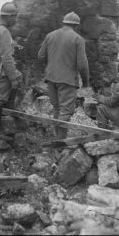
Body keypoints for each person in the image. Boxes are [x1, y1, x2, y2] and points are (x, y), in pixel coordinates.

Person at [37, 11, 90, 140]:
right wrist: (86, 83)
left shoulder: (50, 35)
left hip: (51, 78)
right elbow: (82, 65)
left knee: (56, 108)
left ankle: (57, 139)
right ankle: (60, 143)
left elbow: (40, 56)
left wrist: (51, 67)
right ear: (77, 26)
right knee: (66, 111)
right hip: (67, 80)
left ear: (64, 23)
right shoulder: (78, 39)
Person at [0, 2, 23, 137]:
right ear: (9, 16)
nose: (16, 20)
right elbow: (6, 58)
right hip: (1, 69)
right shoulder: (4, 31)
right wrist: (13, 78)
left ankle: (7, 111)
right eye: (15, 17)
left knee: (18, 78)